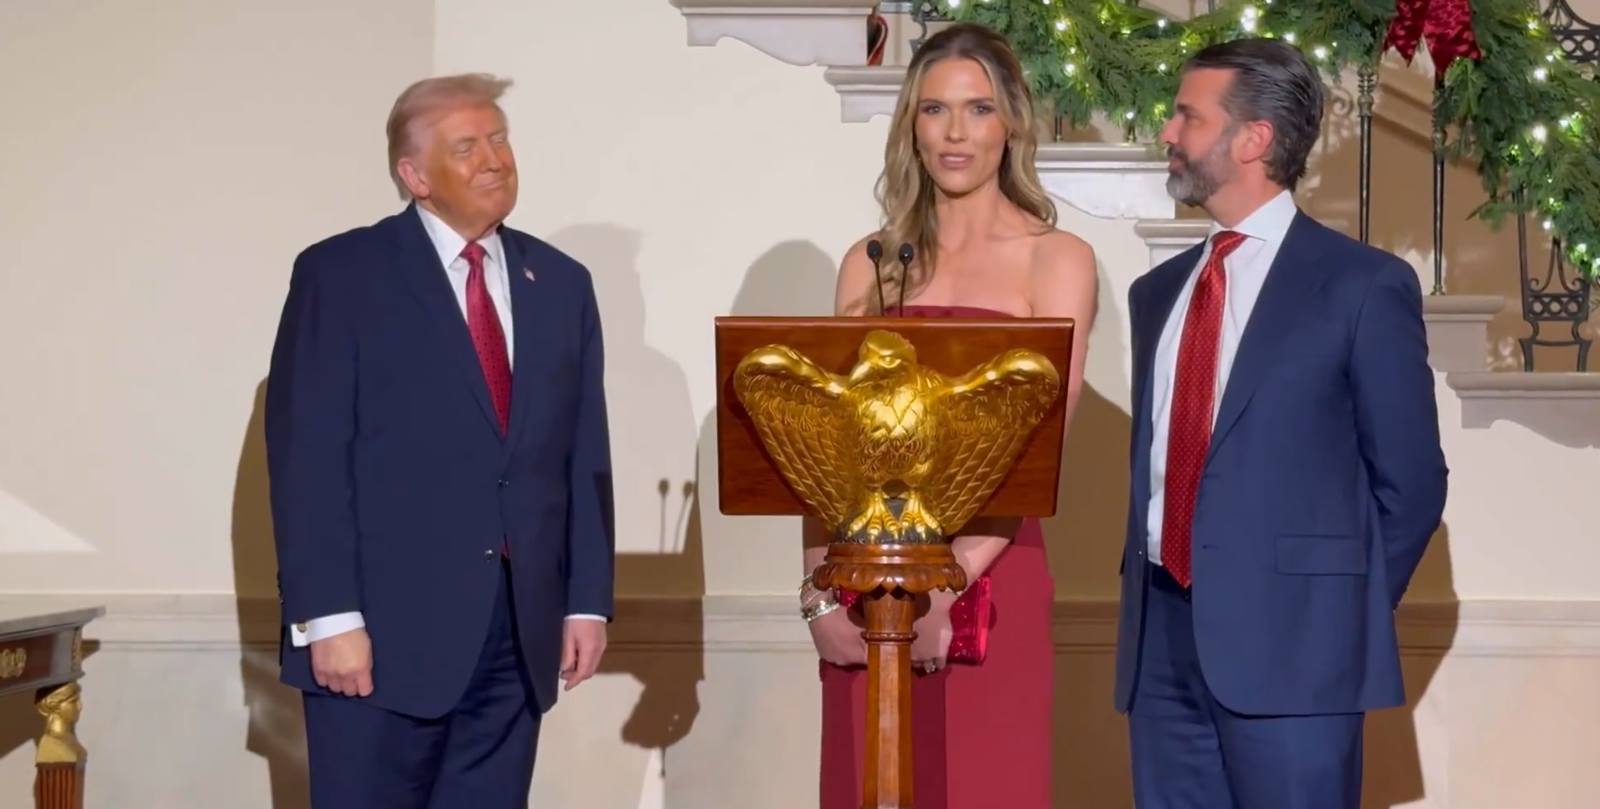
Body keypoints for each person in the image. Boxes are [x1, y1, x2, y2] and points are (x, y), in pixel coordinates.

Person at [1114, 38, 1449, 809]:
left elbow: (1413, 484)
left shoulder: (1363, 286)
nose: (1166, 132)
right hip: (1158, 650)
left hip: (1300, 653)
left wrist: (1332, 612)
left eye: (1186, 116)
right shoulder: (1156, 294)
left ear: (1253, 138)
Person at [265, 73, 615, 809]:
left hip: (515, 639)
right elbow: (310, 461)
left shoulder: (560, 282)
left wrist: (586, 602)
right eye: (468, 146)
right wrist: (328, 617)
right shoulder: (341, 274)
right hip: (376, 641)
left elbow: (582, 458)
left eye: (499, 138)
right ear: (415, 175)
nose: (495, 158)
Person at [807, 22, 1099, 809]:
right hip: (863, 580)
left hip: (991, 574)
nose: (956, 132)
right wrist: (821, 592)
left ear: (1011, 123)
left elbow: (1044, 443)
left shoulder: (1056, 258)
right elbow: (823, 444)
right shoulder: (867, 260)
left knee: (981, 785)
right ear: (912, 125)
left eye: (978, 109)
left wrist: (948, 585)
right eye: (935, 110)